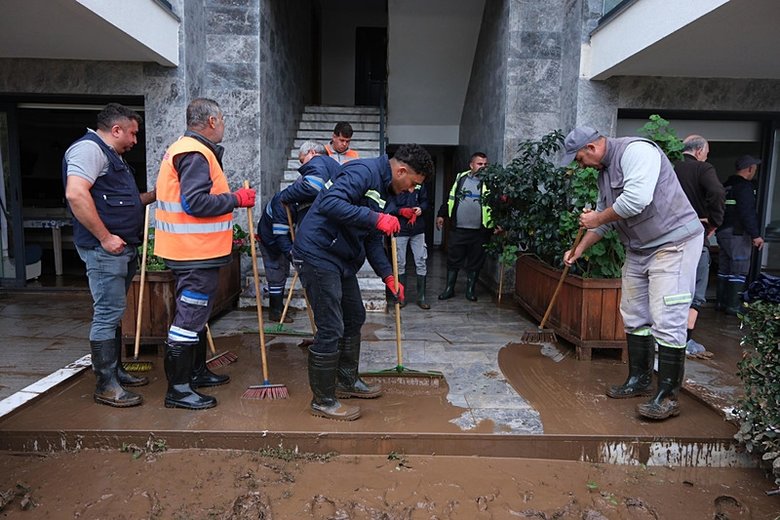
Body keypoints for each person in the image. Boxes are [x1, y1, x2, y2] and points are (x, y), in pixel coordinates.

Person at [560, 126, 703, 421]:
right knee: (634, 313)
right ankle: (639, 380)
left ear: (591, 147)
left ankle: (668, 395)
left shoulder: (637, 152)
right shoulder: (604, 173)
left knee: (667, 317)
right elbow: (603, 222)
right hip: (639, 247)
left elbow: (636, 200)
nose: (579, 165)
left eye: (578, 158)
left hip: (674, 242)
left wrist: (598, 217)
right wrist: (580, 249)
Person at [292, 144, 435, 421]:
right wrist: (376, 217)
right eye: (412, 185)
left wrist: (388, 276)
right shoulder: (363, 171)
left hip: (341, 257)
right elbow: (329, 203)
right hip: (318, 252)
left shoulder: (385, 190)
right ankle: (322, 400)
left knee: (355, 316)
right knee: (331, 325)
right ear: (402, 170)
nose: (410, 192)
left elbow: (371, 238)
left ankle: (347, 380)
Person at [154, 98, 257, 410]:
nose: (224, 125)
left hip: (195, 251)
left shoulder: (189, 150)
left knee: (195, 314)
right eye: (223, 119)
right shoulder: (195, 153)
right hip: (193, 253)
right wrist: (236, 199)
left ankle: (195, 373)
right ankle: (179, 389)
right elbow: (196, 203)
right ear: (212, 121)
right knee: (189, 317)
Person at [64, 103, 156, 408]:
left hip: (121, 249)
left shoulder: (112, 156)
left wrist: (155, 195)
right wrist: (104, 237)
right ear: (115, 130)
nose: (134, 140)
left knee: (114, 312)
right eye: (132, 133)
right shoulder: (89, 150)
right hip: (105, 250)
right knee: (106, 314)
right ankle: (106, 385)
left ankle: (116, 371)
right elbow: (76, 193)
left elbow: (125, 201)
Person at [258, 142, 339, 324]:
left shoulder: (300, 200)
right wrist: (292, 254)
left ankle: (278, 310)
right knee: (276, 271)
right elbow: (280, 236)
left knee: (283, 271)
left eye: (303, 161)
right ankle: (275, 313)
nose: (302, 166)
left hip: (284, 234)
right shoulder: (282, 202)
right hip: (269, 239)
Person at [672, 135, 725, 354]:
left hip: (668, 240)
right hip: (695, 238)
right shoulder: (702, 169)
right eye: (707, 152)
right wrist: (714, 221)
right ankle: (685, 342)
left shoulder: (672, 170)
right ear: (699, 151)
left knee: (672, 290)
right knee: (696, 293)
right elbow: (717, 192)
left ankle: (663, 338)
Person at [436, 152, 492, 302]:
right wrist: (442, 214)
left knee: (475, 261)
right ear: (471, 165)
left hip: (480, 231)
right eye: (480, 164)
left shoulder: (491, 181)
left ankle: (470, 290)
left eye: (485, 164)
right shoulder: (461, 179)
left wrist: (498, 223)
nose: (483, 167)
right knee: (453, 260)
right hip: (458, 229)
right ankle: (449, 289)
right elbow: (451, 198)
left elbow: (496, 204)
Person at [716, 155, 765, 315]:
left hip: (723, 232)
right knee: (739, 268)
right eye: (754, 169)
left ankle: (721, 303)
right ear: (750, 168)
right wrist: (755, 235)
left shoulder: (727, 185)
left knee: (724, 268)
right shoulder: (744, 187)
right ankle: (733, 306)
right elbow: (747, 212)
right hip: (737, 234)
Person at [391, 183, 431, 309]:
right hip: (400, 230)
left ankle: (421, 298)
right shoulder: (397, 185)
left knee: (421, 261)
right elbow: (387, 207)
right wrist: (400, 211)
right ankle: (401, 298)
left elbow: (425, 202)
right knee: (399, 263)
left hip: (418, 230)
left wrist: (421, 209)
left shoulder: (420, 186)